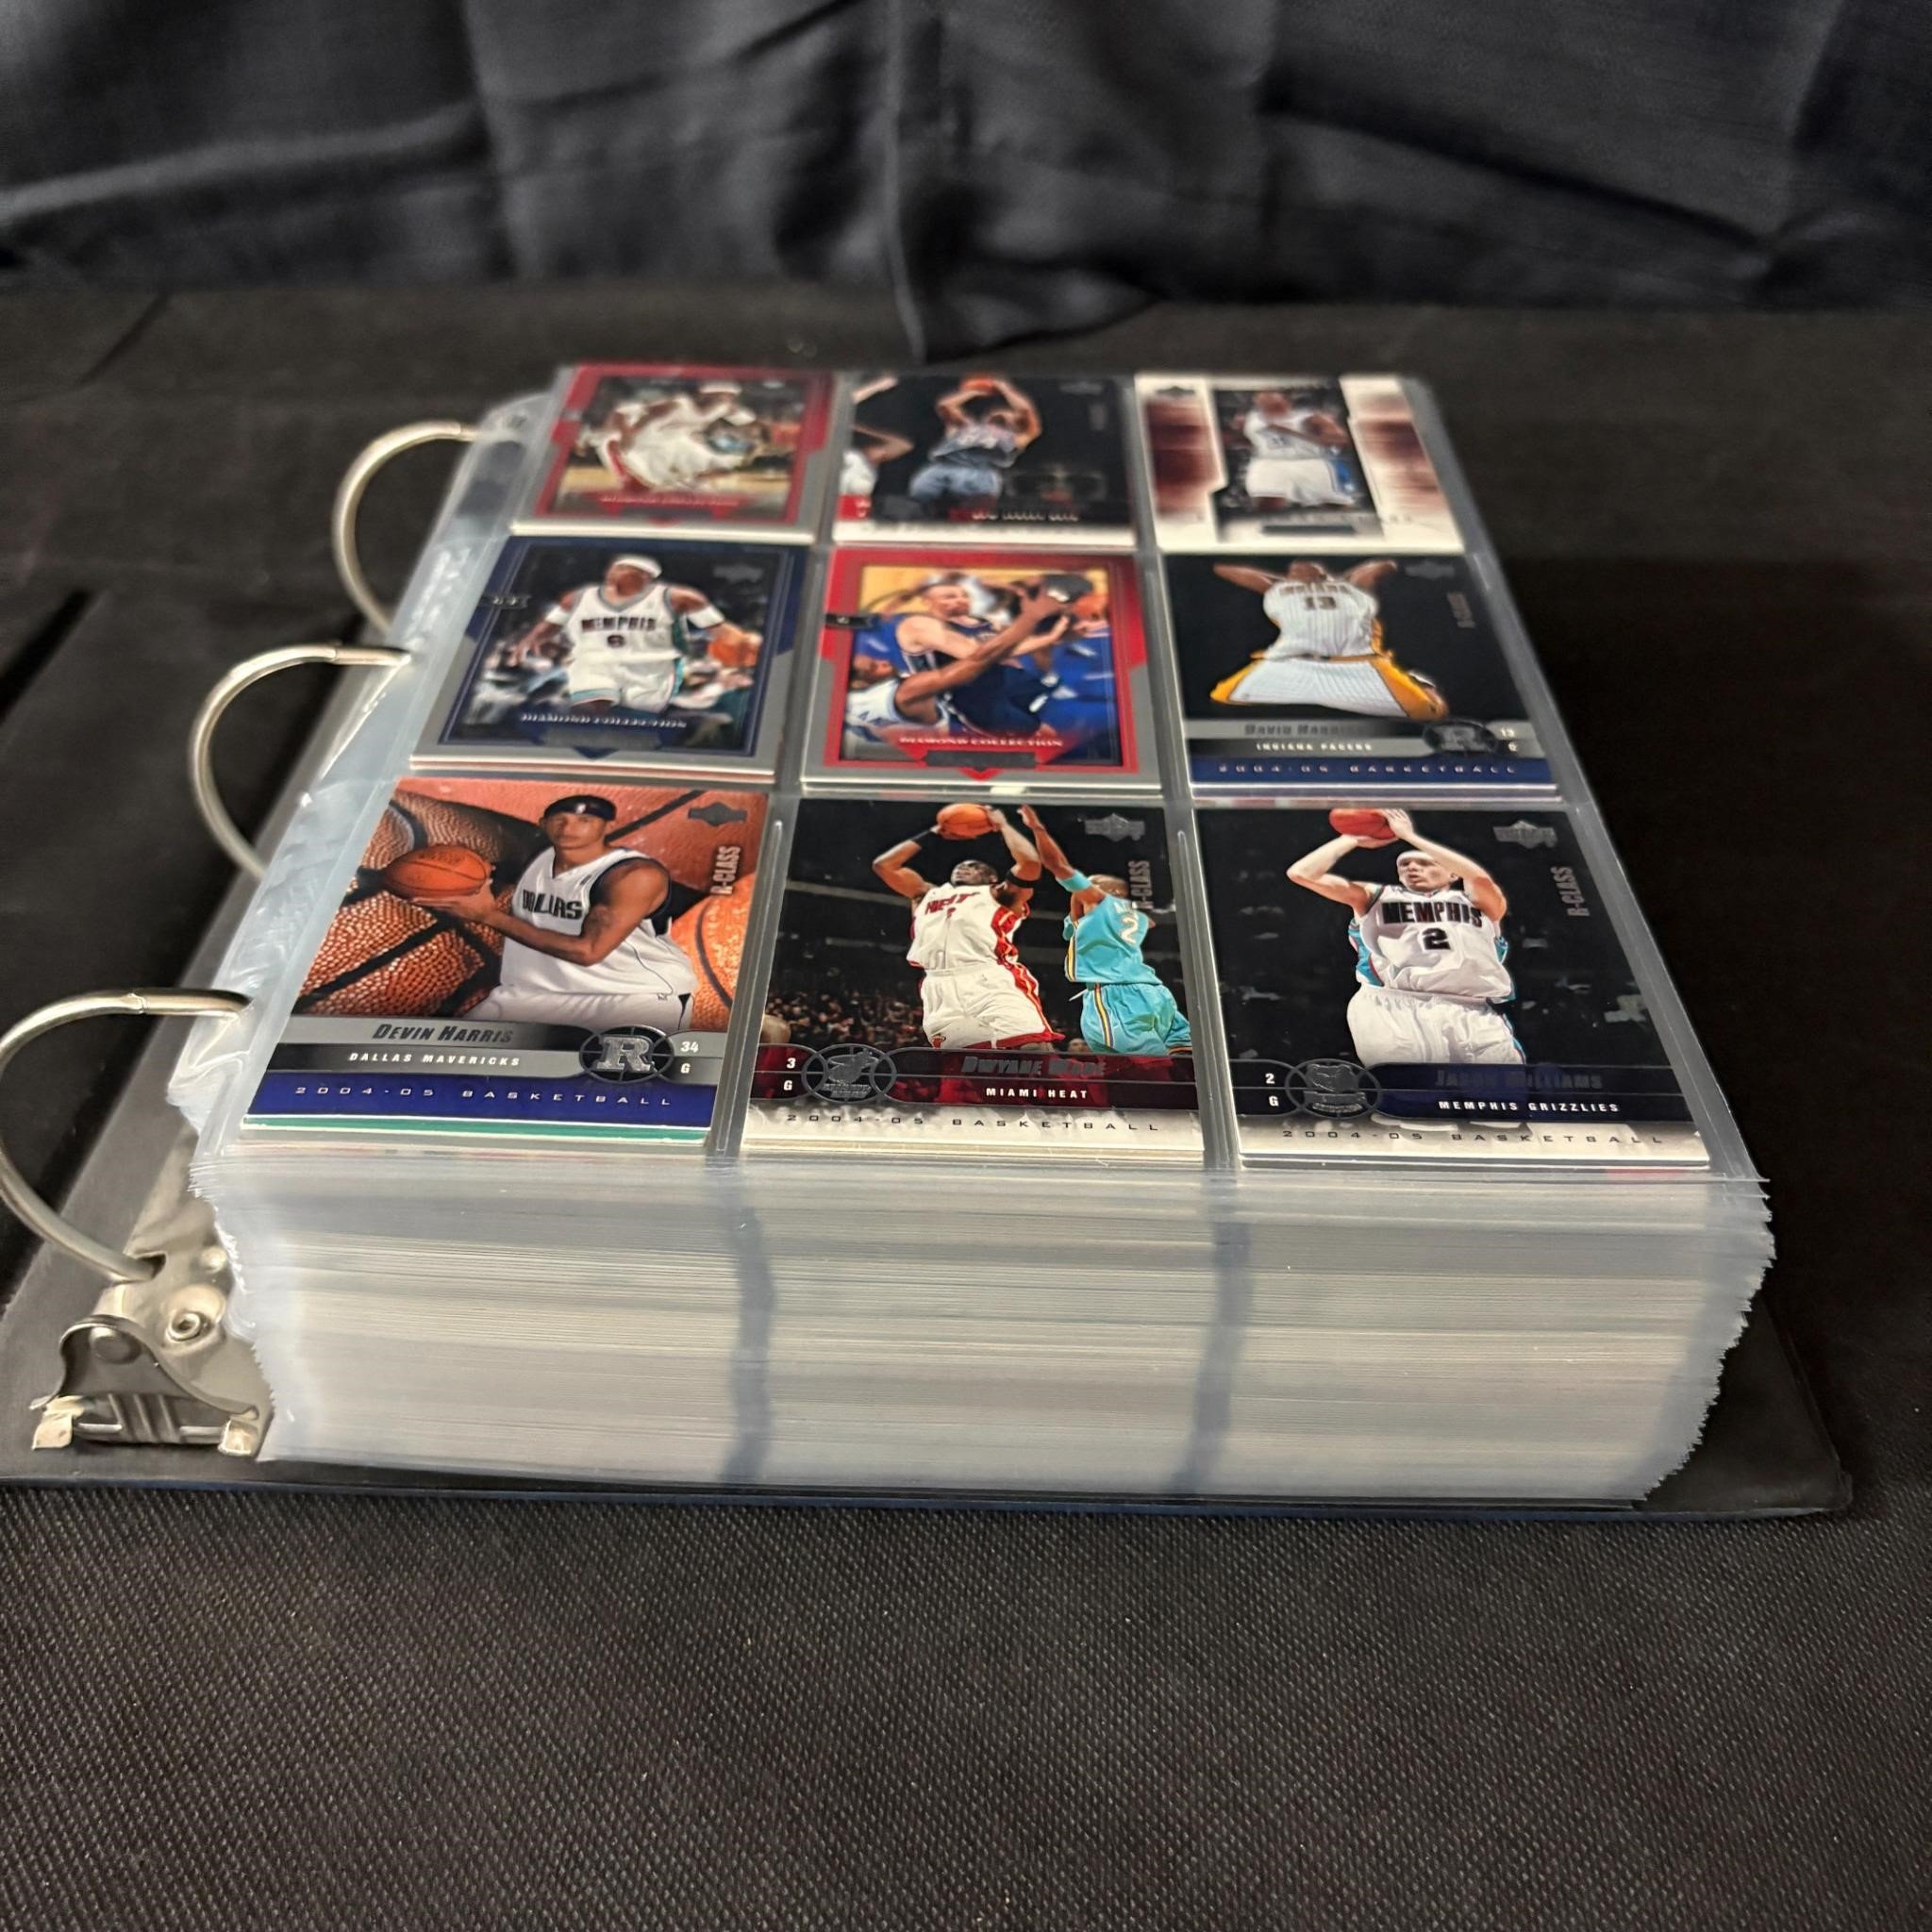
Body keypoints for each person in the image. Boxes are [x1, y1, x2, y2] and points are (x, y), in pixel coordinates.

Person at [423, 794, 695, 1033]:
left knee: (602, 1076)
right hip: (530, 995)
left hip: (630, 996)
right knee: (445, 1066)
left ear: (608, 827)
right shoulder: (535, 857)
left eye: (584, 820)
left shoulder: (633, 876)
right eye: (559, 820)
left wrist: (488, 916)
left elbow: (588, 952)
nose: (568, 828)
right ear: (543, 824)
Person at [1285, 808, 1523, 1066]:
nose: (1411, 868)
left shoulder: (1479, 903)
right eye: (1404, 865)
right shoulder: (1376, 896)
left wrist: (1411, 837)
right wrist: (1352, 838)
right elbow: (1301, 874)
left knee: (1502, 1087)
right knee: (1408, 1088)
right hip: (1392, 1006)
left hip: (1473, 1010)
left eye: (1424, 863)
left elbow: (1479, 877)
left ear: (1453, 873)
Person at [871, 809, 1056, 1050]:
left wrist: (1003, 825)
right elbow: (883, 865)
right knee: (963, 1064)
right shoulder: (927, 894)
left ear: (992, 877)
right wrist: (935, 832)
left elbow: (1030, 863)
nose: (963, 868)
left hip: (988, 978)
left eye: (973, 866)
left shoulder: (998, 894)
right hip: (938, 985)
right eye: (960, 866)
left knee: (1030, 1052)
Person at [1018, 808, 1191, 1056]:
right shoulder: (1140, 918)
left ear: (1111, 892)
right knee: (1179, 1060)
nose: (1083, 889)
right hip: (1155, 994)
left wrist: (1037, 828)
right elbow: (1076, 923)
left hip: (1117, 994)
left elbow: (1057, 864)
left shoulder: (1101, 902)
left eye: (1091, 884)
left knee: (1144, 1067)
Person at [496, 555, 758, 717]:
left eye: (625, 570)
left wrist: (744, 643)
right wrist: (531, 639)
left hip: (652, 667)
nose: (615, 574)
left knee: (635, 718)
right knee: (590, 709)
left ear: (646, 577)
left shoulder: (678, 598)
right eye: (614, 569)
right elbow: (552, 623)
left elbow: (720, 630)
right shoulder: (579, 597)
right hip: (595, 663)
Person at [1208, 559, 1446, 719]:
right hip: (1291, 664)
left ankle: (1419, 683)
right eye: (1293, 569)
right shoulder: (1277, 589)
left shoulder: (1351, 586)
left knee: (1428, 711)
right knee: (1221, 696)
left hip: (1355, 665)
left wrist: (1342, 578)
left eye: (1305, 566)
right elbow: (1225, 570)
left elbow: (1384, 565)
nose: (1298, 569)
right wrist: (1281, 580)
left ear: (1323, 571)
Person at [906, 377, 1041, 518]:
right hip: (943, 466)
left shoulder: (1018, 436)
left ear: (1017, 422)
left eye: (1008, 411)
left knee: (970, 516)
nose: (1001, 411)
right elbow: (945, 405)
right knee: (918, 509)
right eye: (996, 410)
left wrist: (1005, 389)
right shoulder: (966, 425)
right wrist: (974, 391)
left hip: (981, 472)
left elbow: (1026, 410)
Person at [596, 381, 757, 491]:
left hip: (674, 442)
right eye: (722, 395)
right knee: (653, 482)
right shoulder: (676, 403)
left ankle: (690, 483)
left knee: (720, 468)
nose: (726, 399)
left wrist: (754, 437)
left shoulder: (721, 408)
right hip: (643, 444)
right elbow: (621, 411)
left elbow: (750, 421)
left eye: (730, 396)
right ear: (705, 394)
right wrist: (626, 433)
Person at [1237, 388, 1360, 510]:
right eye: (1259, 396)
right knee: (1265, 507)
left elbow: (1342, 441)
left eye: (1269, 394)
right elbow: (1244, 441)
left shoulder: (1311, 418)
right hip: (1269, 463)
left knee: (1335, 507)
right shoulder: (1250, 419)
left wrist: (1291, 431)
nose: (1261, 399)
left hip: (1309, 462)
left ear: (1285, 399)